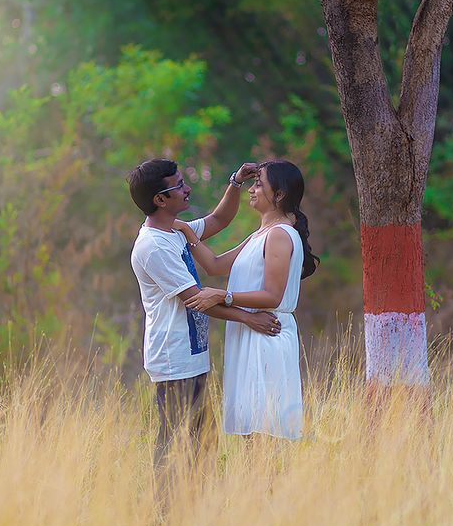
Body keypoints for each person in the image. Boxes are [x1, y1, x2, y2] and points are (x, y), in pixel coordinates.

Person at [127, 158, 282, 466]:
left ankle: (194, 509)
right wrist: (249, 317)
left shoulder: (174, 231)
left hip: (191, 355)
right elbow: (198, 299)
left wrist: (236, 181)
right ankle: (165, 512)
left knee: (202, 444)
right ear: (160, 199)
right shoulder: (154, 247)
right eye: (179, 186)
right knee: (175, 444)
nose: (187, 189)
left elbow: (219, 219)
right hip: (174, 358)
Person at [175, 160, 319, 440]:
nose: (252, 190)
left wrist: (225, 296)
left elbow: (272, 296)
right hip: (249, 334)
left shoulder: (279, 235)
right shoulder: (261, 234)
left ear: (278, 195)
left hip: (267, 333)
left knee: (264, 433)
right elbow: (214, 265)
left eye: (258, 184)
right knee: (251, 432)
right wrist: (186, 231)